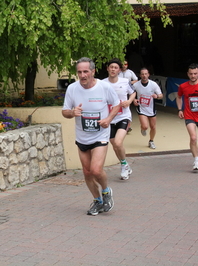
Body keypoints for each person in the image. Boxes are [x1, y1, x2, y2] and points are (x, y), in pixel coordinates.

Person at [62, 57, 120, 216]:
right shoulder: (72, 89)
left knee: (95, 170)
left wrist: (108, 119)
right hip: (82, 137)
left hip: (100, 135)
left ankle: (106, 192)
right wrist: (72, 113)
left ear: (93, 71)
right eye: (79, 72)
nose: (82, 75)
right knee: (87, 173)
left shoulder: (104, 87)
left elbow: (117, 105)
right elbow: (65, 111)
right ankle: (97, 201)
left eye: (85, 71)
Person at [103, 58, 136, 180]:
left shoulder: (125, 82)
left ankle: (123, 166)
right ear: (107, 69)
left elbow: (133, 93)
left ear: (119, 70)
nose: (113, 69)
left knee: (118, 142)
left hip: (123, 116)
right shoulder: (102, 83)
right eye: (111, 67)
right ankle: (125, 164)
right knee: (114, 145)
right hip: (110, 118)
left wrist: (129, 101)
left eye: (115, 68)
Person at [132, 68, 163, 149]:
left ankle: (151, 141)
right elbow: (130, 94)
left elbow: (161, 95)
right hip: (141, 108)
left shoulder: (153, 84)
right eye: (142, 74)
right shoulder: (136, 85)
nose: (144, 76)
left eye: (146, 74)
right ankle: (143, 128)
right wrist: (134, 100)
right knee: (145, 126)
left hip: (151, 108)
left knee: (153, 127)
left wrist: (157, 96)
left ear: (148, 74)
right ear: (140, 75)